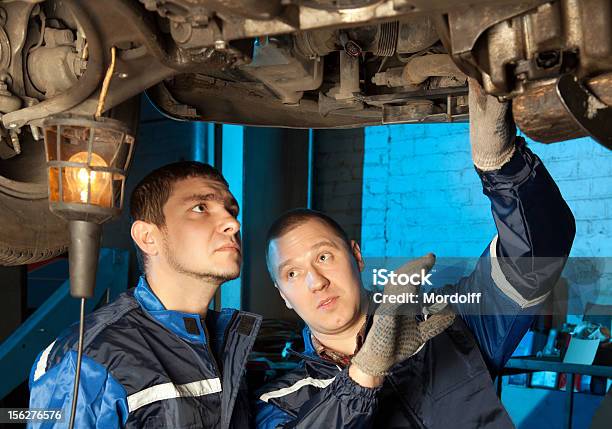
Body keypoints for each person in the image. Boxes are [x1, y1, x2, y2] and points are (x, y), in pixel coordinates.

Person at [255, 80, 576, 428]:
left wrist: (500, 163)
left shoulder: (445, 323)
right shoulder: (281, 402)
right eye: (292, 273)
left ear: (357, 257)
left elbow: (539, 252)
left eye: (323, 257)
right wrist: (364, 373)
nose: (315, 281)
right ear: (283, 295)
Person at [28, 162, 261, 428]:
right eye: (200, 208)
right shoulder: (90, 357)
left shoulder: (225, 342)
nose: (232, 223)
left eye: (231, 211)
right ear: (148, 237)